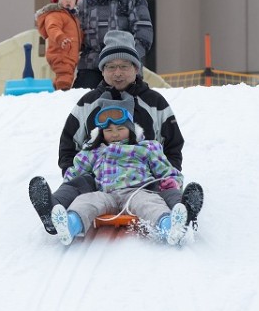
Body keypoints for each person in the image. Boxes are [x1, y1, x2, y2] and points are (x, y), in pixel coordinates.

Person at [29, 30, 204, 234]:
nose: (117, 73)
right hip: (98, 181)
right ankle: (53, 211)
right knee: (78, 186)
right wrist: (75, 173)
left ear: (136, 68)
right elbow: (69, 145)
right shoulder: (88, 103)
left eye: (124, 66)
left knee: (166, 188)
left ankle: (182, 215)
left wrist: (167, 176)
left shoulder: (155, 103)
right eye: (111, 67)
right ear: (102, 71)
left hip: (145, 180)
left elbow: (173, 145)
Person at [49, 97, 189, 246]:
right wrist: (66, 188)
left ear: (131, 129)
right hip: (106, 194)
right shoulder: (95, 151)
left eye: (120, 129)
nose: (114, 134)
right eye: (108, 130)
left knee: (150, 204)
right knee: (86, 201)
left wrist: (172, 182)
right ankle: (70, 225)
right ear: (102, 133)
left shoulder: (145, 148)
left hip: (137, 192)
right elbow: (75, 172)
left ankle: (169, 227)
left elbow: (167, 170)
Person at [34, 0, 82, 91]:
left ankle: (58, 92)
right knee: (64, 76)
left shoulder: (72, 17)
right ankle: (62, 94)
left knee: (67, 75)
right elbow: (52, 28)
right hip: (60, 53)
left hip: (69, 53)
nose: (68, 0)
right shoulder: (56, 14)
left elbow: (78, 33)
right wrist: (60, 37)